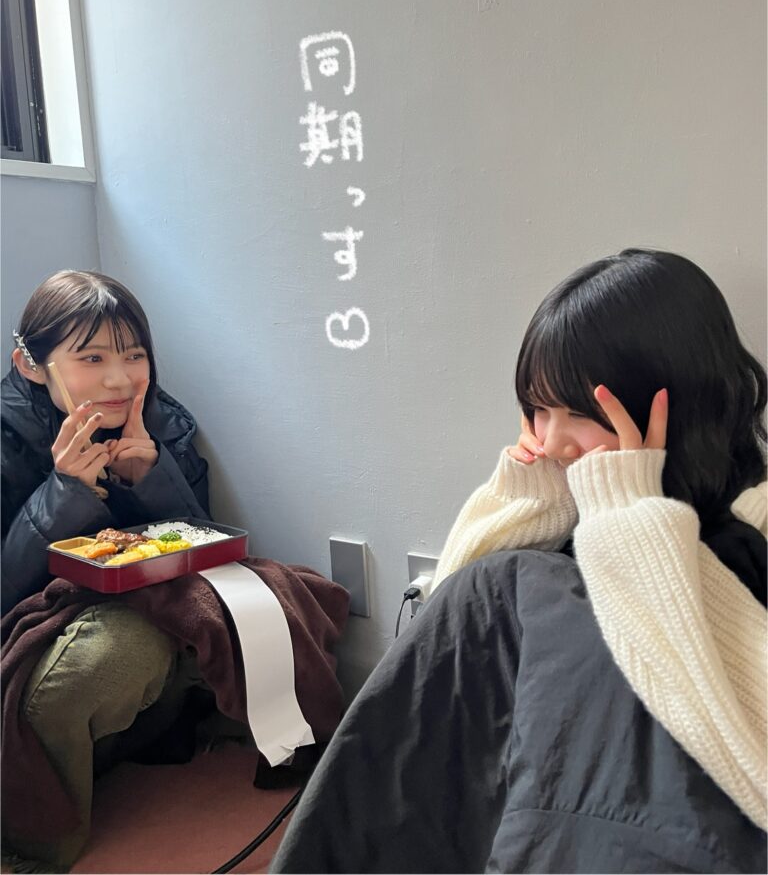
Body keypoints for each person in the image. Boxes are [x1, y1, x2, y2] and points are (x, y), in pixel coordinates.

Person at [272, 248, 767, 873]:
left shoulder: (751, 523)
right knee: (491, 583)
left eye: (581, 414)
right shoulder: (566, 503)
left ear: (670, 404)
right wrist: (532, 498)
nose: (552, 440)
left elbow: (731, 738)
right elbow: (445, 646)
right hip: (508, 807)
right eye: (538, 410)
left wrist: (629, 510)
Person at [1, 269, 211, 869]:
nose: (119, 380)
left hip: (136, 612)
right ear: (30, 365)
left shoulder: (164, 423)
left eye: (134, 355)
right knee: (74, 676)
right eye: (91, 358)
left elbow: (207, 555)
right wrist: (65, 491)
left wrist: (152, 480)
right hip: (26, 622)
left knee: (105, 661)